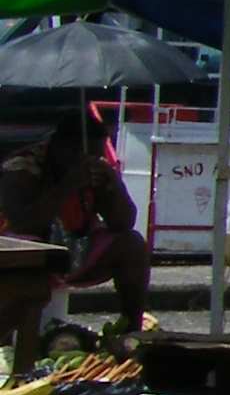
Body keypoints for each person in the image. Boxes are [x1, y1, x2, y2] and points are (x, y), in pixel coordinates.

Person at [0, 110, 150, 326]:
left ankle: (131, 328)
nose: (93, 161)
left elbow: (123, 222)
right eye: (87, 155)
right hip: (25, 253)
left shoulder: (94, 169)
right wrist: (67, 186)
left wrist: (113, 186)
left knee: (132, 245)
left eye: (98, 155)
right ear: (62, 147)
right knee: (33, 252)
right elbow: (22, 223)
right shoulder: (22, 166)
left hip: (76, 248)